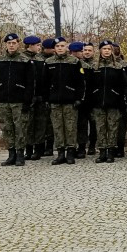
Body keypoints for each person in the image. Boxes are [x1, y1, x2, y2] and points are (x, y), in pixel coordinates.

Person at [0, 33, 36, 166]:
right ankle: (11, 154)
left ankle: (20, 154)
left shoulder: (25, 61)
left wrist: (27, 101)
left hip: (19, 101)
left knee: (20, 127)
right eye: (9, 43)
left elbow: (30, 83)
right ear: (6, 44)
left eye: (14, 43)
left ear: (18, 44)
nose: (11, 45)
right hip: (4, 100)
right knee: (7, 128)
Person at [44, 37, 85, 165]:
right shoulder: (49, 62)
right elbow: (44, 83)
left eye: (62, 46)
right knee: (57, 127)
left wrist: (78, 98)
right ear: (54, 48)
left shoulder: (74, 62)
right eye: (57, 46)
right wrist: (46, 99)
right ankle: (60, 153)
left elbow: (80, 83)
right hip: (54, 100)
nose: (60, 48)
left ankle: (71, 152)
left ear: (66, 47)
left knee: (70, 127)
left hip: (70, 101)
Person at [90, 40, 127, 163]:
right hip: (98, 102)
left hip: (114, 102)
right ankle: (102, 152)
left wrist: (120, 99)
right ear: (100, 50)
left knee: (112, 127)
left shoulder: (118, 67)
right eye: (104, 49)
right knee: (100, 127)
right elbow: (90, 85)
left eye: (109, 49)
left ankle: (111, 151)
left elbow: (124, 85)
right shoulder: (94, 66)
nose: (106, 51)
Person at [23, 35, 49, 160]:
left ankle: (38, 149)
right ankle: (28, 149)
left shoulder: (41, 60)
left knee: (40, 124)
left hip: (41, 97)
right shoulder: (22, 59)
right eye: (37, 45)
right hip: (27, 97)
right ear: (30, 45)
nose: (39, 47)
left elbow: (45, 79)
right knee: (28, 124)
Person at [76, 42, 97, 158]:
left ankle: (93, 145)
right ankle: (82, 147)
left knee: (94, 124)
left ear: (93, 52)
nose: (87, 52)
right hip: (82, 100)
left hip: (94, 100)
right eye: (85, 50)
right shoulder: (78, 64)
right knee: (82, 125)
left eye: (90, 50)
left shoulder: (97, 65)